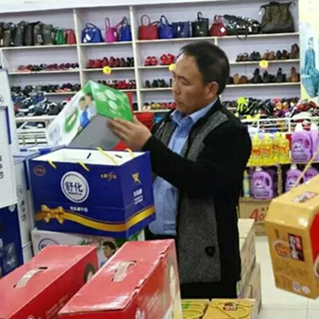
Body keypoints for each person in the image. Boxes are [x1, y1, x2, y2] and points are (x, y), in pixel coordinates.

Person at [107, 41, 251, 299]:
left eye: (184, 82)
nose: (174, 88)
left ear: (210, 89)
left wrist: (148, 145)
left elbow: (200, 181)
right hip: (158, 248)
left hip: (206, 265)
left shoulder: (230, 132)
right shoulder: (168, 123)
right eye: (173, 78)